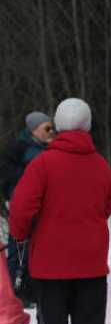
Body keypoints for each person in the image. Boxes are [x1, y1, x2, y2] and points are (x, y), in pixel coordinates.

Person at [8, 97, 111, 324]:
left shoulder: (42, 164)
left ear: (58, 124)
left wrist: (23, 236)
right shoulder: (101, 165)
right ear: (87, 125)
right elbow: (106, 206)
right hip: (91, 268)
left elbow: (21, 210)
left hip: (51, 269)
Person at [0, 110, 56, 306]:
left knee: (38, 251)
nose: (51, 131)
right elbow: (3, 167)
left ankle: (33, 290)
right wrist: (28, 176)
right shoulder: (18, 146)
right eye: (46, 128)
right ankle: (17, 293)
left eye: (52, 127)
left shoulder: (51, 149)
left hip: (44, 209)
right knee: (18, 250)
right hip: (21, 206)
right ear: (33, 130)